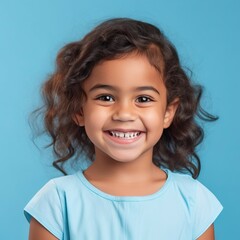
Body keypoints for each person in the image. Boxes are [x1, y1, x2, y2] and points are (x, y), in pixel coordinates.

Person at [24, 18, 223, 240]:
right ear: (79, 110)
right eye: (106, 97)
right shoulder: (56, 203)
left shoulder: (194, 201)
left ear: (168, 112)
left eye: (143, 98)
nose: (124, 114)